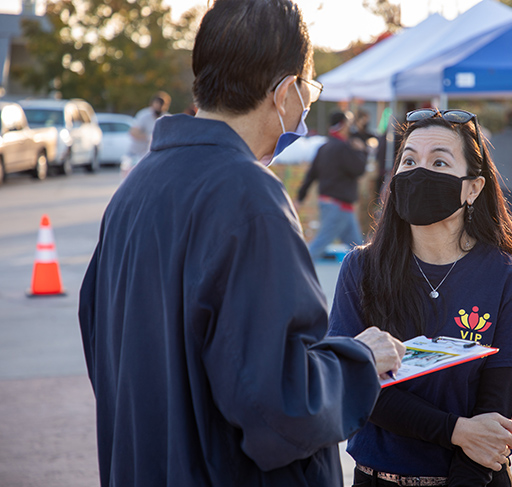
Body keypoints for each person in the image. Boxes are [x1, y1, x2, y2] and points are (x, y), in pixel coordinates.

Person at [78, 1, 405, 486]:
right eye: (309, 91)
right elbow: (279, 404)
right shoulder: (248, 196)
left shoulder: (135, 188)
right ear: (286, 91)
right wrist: (359, 360)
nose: (305, 109)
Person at [328, 109, 512, 486]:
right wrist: (456, 430)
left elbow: (492, 421)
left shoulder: (510, 279)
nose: (418, 172)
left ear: (473, 187)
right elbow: (359, 390)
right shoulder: (360, 269)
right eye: (409, 160)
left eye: (439, 161)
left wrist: (467, 446)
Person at [297, 111, 368, 260]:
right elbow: (359, 169)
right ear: (343, 125)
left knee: (358, 249)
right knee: (318, 246)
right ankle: (294, 274)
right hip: (339, 206)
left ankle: (368, 279)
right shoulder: (344, 148)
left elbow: (310, 176)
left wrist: (300, 198)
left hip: (331, 203)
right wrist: (361, 151)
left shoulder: (324, 148)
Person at [121, 91, 171, 177]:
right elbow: (133, 132)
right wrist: (149, 137)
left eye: (162, 104)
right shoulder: (144, 115)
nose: (159, 107)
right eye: (157, 103)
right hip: (136, 154)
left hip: (153, 156)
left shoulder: (166, 118)